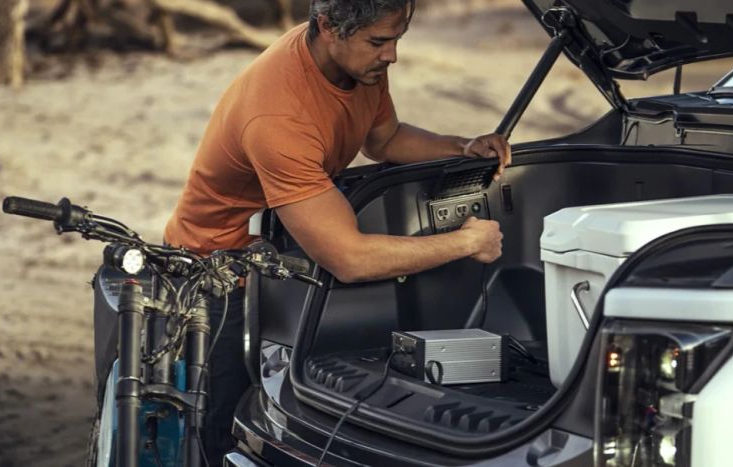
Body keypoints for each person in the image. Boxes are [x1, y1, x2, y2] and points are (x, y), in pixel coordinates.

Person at [163, 0, 509, 460]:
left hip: (280, 260)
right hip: (218, 277)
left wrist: (460, 148)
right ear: (328, 27)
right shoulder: (277, 115)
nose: (392, 57)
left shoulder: (357, 64)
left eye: (397, 40)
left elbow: (382, 139)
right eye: (380, 42)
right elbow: (349, 258)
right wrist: (466, 242)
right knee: (220, 436)